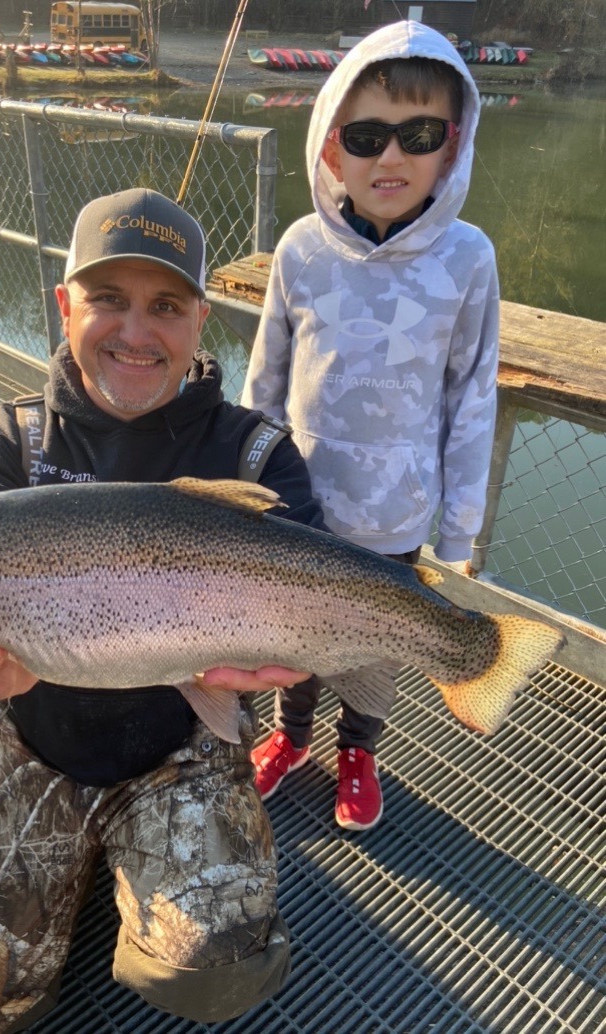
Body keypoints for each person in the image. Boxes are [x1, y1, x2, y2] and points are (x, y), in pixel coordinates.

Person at [0, 187, 325, 1034]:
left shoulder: (257, 454)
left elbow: (319, 594)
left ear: (201, 320)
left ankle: (134, 867)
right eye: (108, 298)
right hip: (33, 736)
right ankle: (81, 861)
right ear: (64, 307)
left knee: (217, 971)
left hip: (185, 738)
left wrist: (323, 651)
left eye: (165, 306)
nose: (137, 331)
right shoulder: (2, 445)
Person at [242, 21, 500, 832]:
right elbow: (265, 380)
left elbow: (473, 395)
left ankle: (359, 749)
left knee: (375, 641)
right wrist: (244, 489)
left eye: (418, 135)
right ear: (330, 146)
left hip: (396, 510)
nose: (391, 157)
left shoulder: (469, 258)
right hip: (298, 503)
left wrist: (459, 527)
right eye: (365, 136)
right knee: (292, 635)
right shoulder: (299, 249)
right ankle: (291, 736)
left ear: (452, 146)